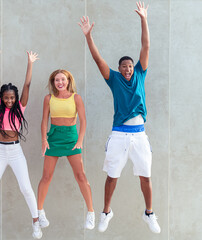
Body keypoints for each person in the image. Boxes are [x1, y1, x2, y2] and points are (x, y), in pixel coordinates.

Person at [78, 1, 161, 234]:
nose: (127, 69)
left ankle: (149, 213)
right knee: (112, 177)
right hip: (119, 134)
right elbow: (97, 60)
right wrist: (88, 37)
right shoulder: (113, 78)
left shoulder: (140, 74)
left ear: (134, 67)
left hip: (139, 134)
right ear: (118, 68)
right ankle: (106, 212)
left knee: (146, 176)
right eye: (123, 66)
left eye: (130, 66)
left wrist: (143, 18)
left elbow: (146, 45)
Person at [0, 51, 42, 239]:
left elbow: (27, 84)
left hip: (15, 151)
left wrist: (30, 63)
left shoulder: (20, 107)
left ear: (16, 97)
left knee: (26, 188)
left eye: (12, 97)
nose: (9, 100)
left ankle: (36, 222)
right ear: (1, 98)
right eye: (6, 98)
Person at [37, 69, 95, 230]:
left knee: (81, 175)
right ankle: (40, 212)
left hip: (71, 137)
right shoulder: (48, 98)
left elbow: (83, 121)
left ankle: (91, 212)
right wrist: (44, 140)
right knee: (46, 176)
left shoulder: (76, 98)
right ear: (53, 82)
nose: (60, 82)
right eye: (57, 80)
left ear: (68, 81)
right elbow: (44, 121)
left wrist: (80, 141)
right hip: (54, 138)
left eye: (63, 79)